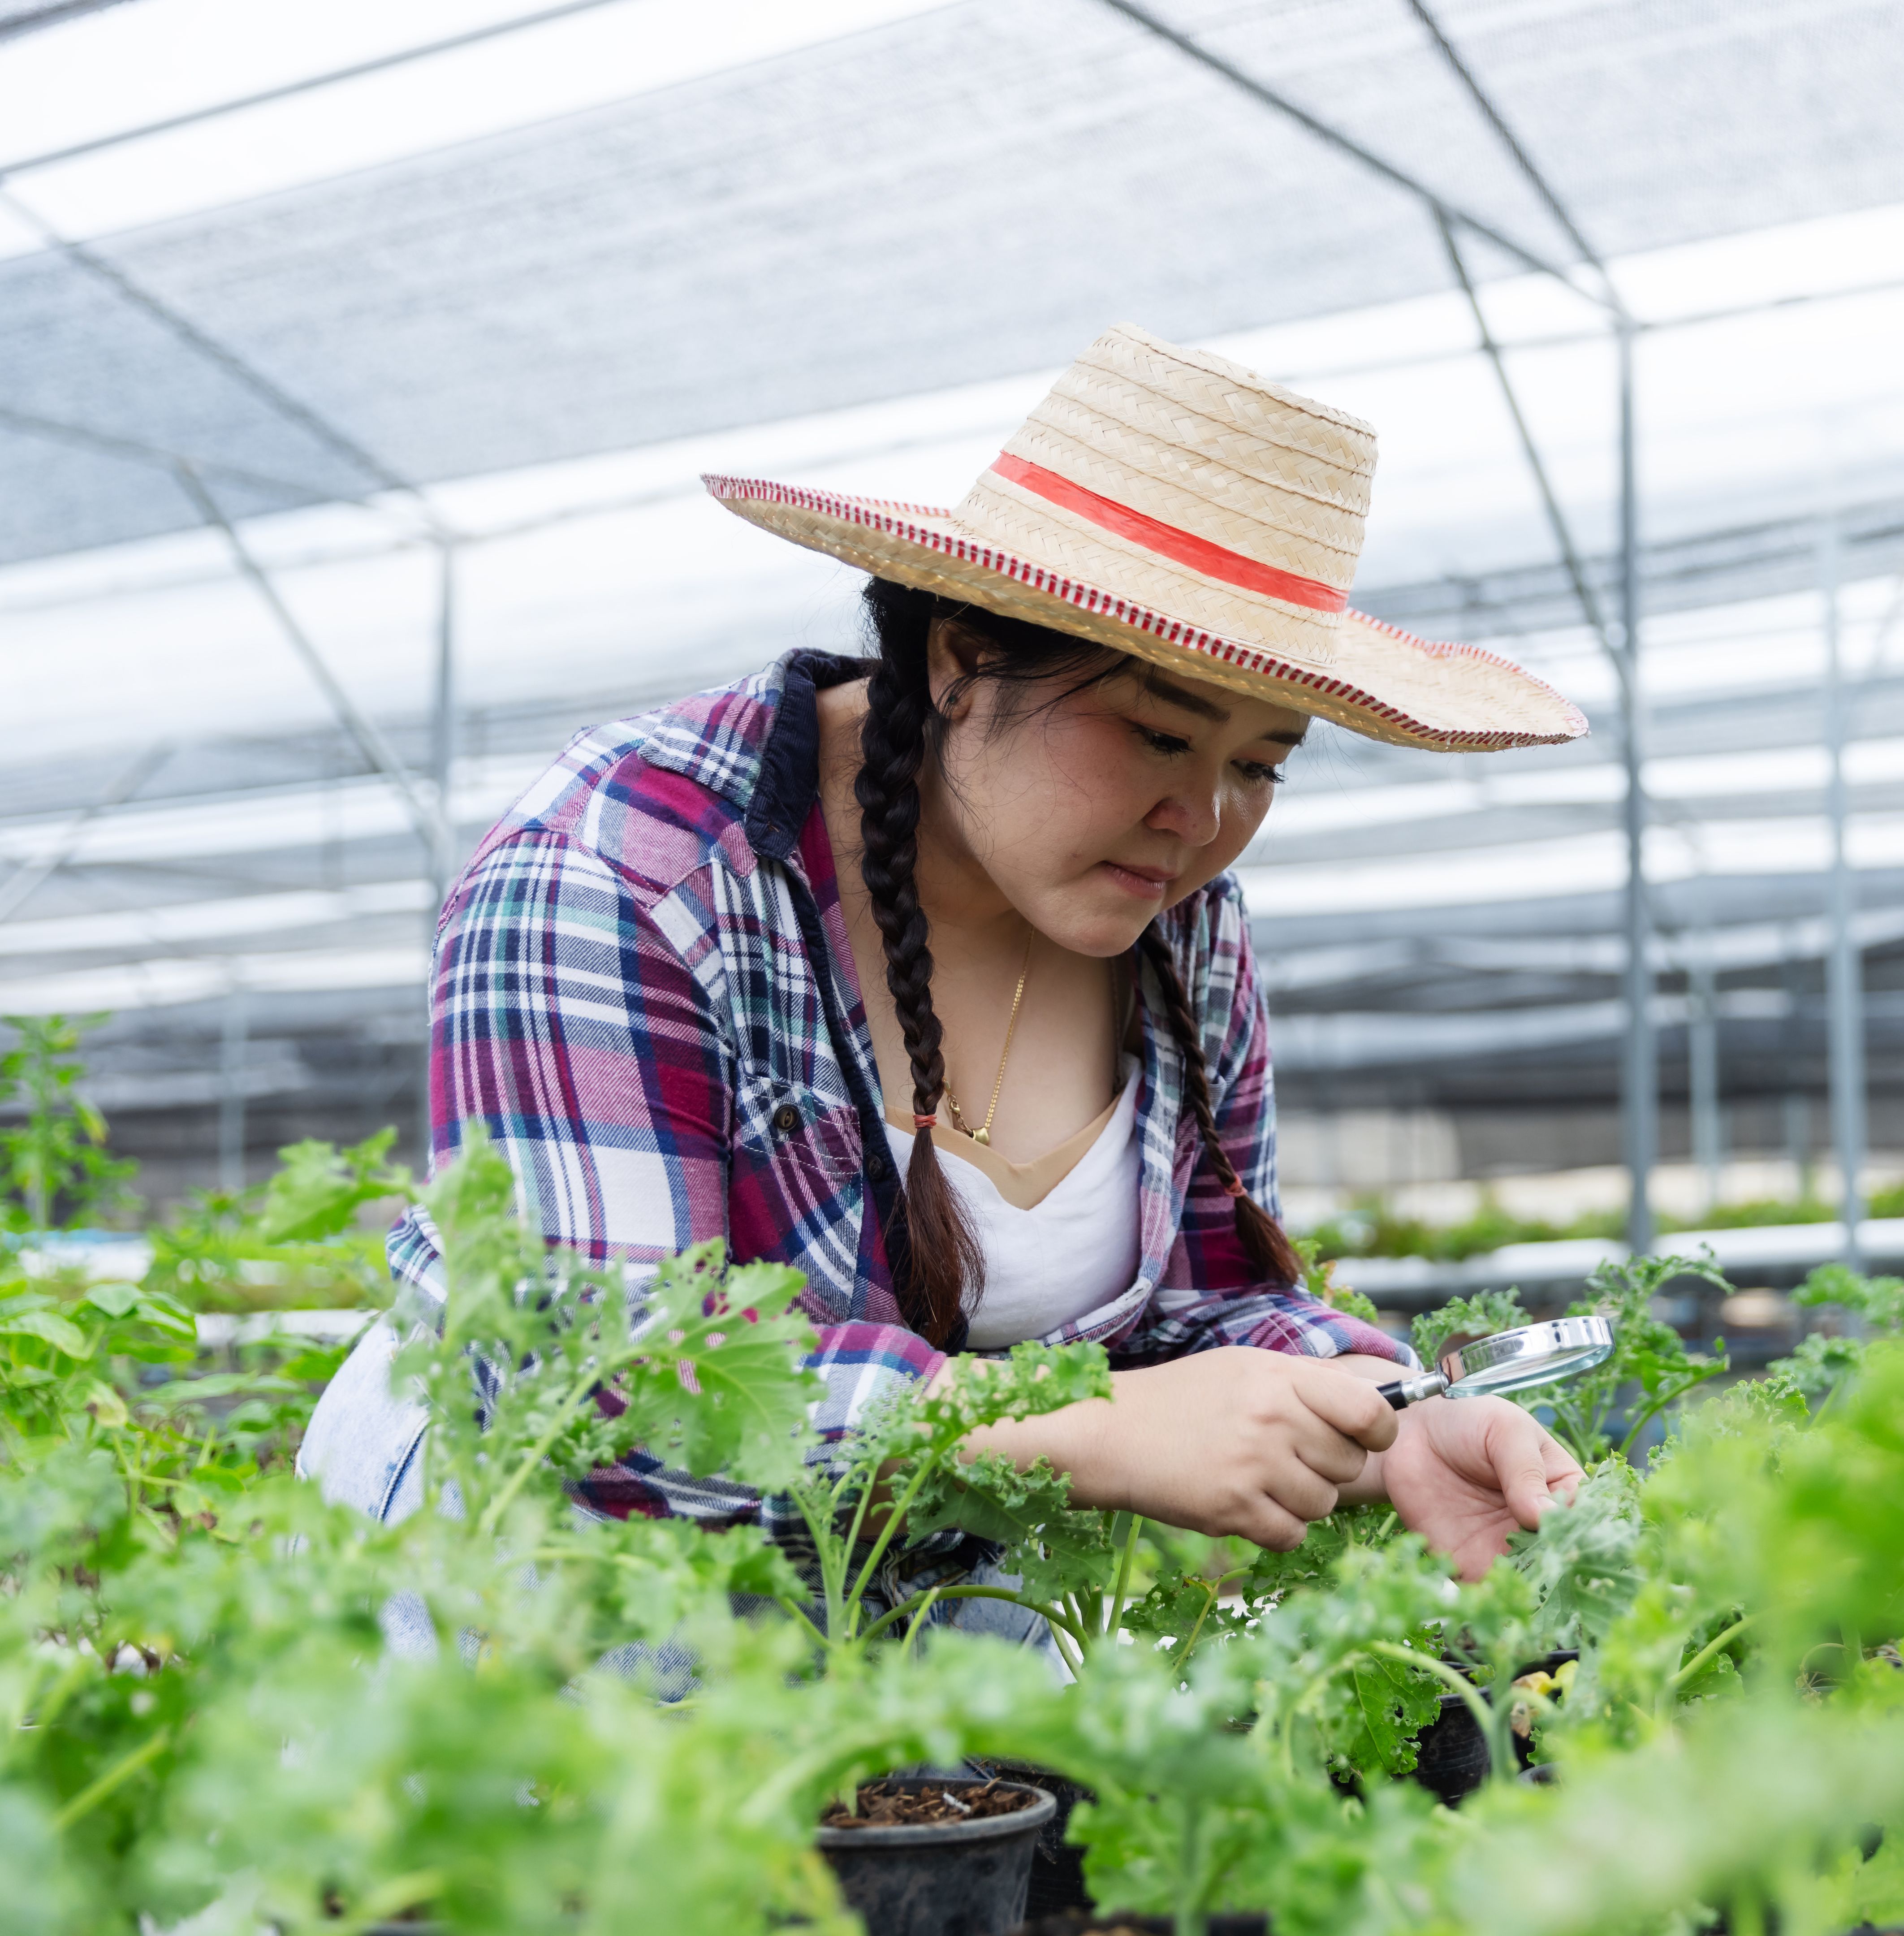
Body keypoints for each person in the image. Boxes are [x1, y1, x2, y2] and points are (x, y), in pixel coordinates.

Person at [300, 323, 1592, 1601]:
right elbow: (598, 1392)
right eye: (1156, 735)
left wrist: (1393, 1416)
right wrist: (1093, 1431)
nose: (1202, 821)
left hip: (919, 1624)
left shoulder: (1182, 931)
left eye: (1259, 764)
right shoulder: (627, 870)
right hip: (535, 1622)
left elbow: (1204, 1305)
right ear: (964, 658)